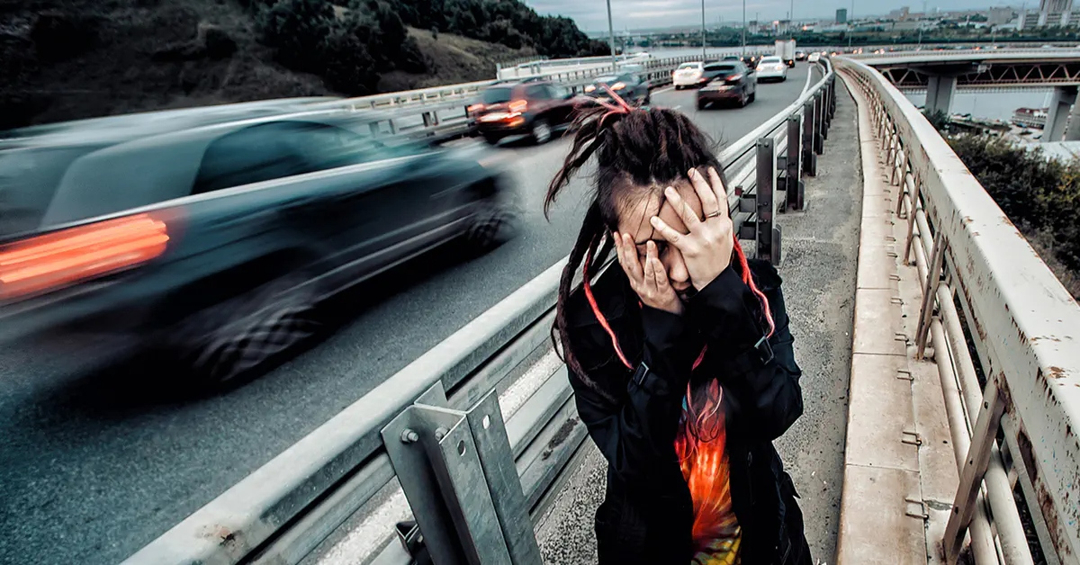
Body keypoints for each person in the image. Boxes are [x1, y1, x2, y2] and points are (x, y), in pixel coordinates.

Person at [545, 89, 811, 565]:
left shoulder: (752, 290)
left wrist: (721, 294)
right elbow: (634, 465)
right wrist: (664, 331)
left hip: (762, 538)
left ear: (718, 217)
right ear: (617, 240)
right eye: (654, 245)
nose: (682, 269)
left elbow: (779, 410)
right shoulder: (593, 328)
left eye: (690, 238)